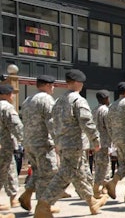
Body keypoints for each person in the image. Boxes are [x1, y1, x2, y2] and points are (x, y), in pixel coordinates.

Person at [34, 69, 107, 217]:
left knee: (79, 175)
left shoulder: (59, 101)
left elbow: (53, 122)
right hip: (75, 144)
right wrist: (95, 140)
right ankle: (44, 204)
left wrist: (57, 141)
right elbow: (87, 122)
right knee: (64, 175)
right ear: (78, 83)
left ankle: (92, 202)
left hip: (64, 143)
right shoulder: (77, 100)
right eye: (81, 82)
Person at [19, 75, 60, 213]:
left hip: (29, 141)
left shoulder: (27, 100)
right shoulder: (46, 99)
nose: (53, 88)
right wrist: (58, 142)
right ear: (48, 85)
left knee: (37, 171)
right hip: (43, 142)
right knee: (49, 172)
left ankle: (27, 195)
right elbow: (52, 122)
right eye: (53, 85)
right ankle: (43, 206)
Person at [0, 84, 23, 212]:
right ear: (8, 95)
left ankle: (13, 198)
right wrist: (24, 140)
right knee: (10, 170)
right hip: (4, 146)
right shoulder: (6, 107)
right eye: (12, 94)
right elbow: (16, 125)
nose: (13, 96)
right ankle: (13, 199)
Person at [92, 89, 111, 199]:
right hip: (104, 141)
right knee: (104, 165)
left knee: (98, 164)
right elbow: (108, 126)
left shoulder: (94, 110)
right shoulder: (105, 110)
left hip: (95, 142)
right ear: (105, 99)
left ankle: (100, 187)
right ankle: (99, 188)